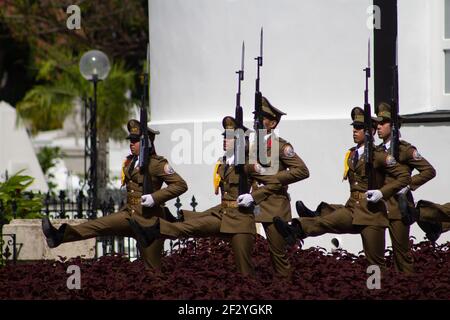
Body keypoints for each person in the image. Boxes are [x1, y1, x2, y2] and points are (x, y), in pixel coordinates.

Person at [128, 116, 283, 276]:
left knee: (245, 273)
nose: (224, 140)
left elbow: (274, 183)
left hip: (241, 223)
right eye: (224, 136)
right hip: (223, 216)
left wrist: (253, 197)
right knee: (188, 228)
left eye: (229, 138)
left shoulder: (249, 165)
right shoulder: (224, 163)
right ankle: (154, 230)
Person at [274, 107, 411, 268]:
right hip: (353, 209)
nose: (354, 130)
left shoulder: (379, 155)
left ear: (370, 131)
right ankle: (295, 230)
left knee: (375, 266)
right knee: (325, 222)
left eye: (359, 127)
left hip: (372, 215)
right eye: (354, 126)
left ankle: (377, 290)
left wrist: (382, 192)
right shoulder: (352, 154)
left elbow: (404, 176)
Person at [41, 119, 188, 270]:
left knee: (152, 270)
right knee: (97, 226)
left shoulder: (157, 164)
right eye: (131, 140)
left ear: (147, 143)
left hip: (149, 223)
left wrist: (154, 198)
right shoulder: (131, 162)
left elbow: (180, 185)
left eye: (136, 141)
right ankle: (59, 236)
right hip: (129, 215)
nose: (131, 143)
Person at [251, 96, 310, 278]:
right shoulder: (253, 145)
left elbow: (302, 170)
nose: (257, 121)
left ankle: (285, 289)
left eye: (262, 118)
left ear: (273, 123)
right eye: (256, 117)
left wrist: (274, 179)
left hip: (275, 206)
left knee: (278, 256)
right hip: (255, 204)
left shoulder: (281, 146)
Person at [375, 102, 436, 273]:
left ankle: (406, 288)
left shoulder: (405, 150)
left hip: (398, 207)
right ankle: (379, 289)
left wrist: (409, 185)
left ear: (393, 126)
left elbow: (429, 171)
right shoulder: (377, 151)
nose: (378, 127)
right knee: (375, 254)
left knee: (401, 255)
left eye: (383, 123)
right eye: (377, 124)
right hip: (379, 207)